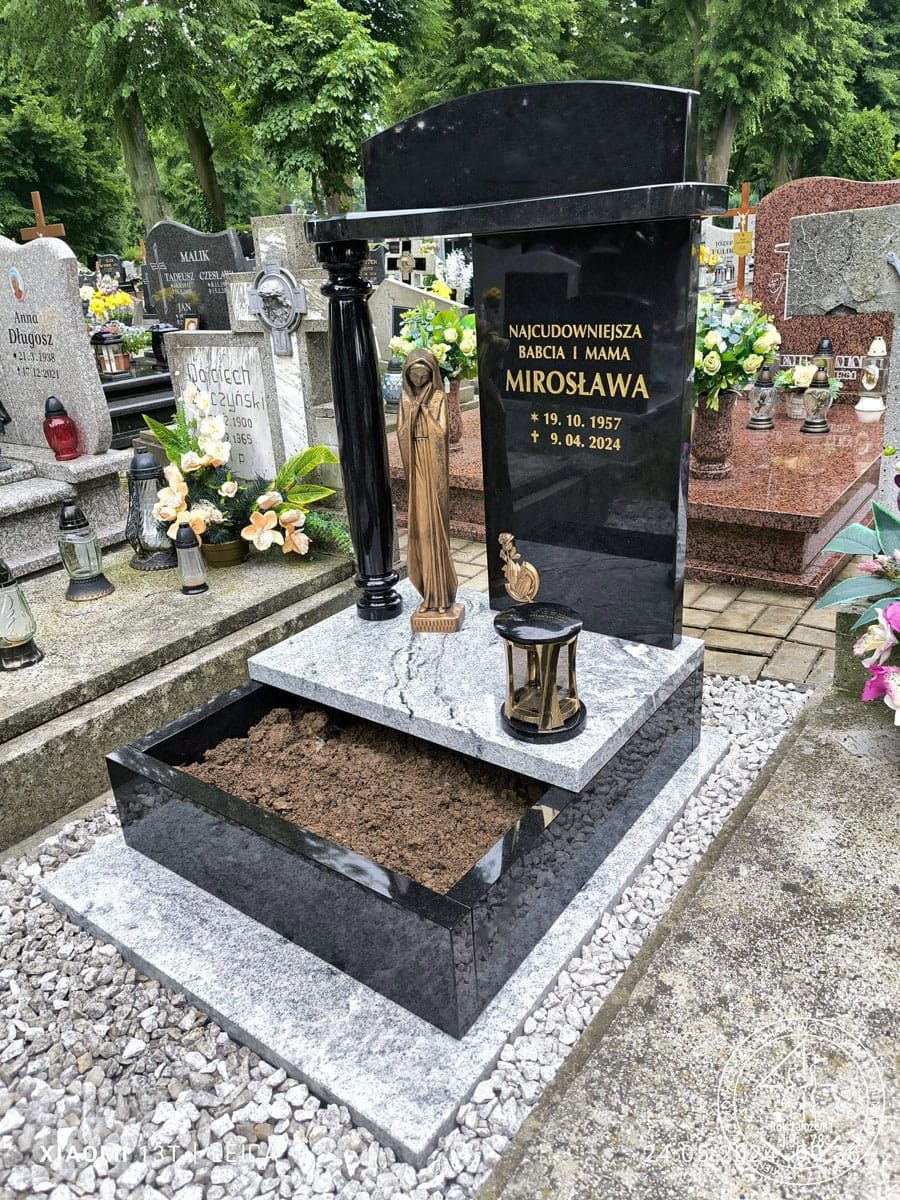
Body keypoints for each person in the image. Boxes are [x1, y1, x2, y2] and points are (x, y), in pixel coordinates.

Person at [396, 348, 459, 617]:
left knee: (435, 526)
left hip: (432, 468)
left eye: (424, 377)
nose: (419, 381)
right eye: (415, 377)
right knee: (421, 525)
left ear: (432, 375)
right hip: (416, 465)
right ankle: (428, 595)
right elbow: (401, 431)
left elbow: (441, 432)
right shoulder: (405, 398)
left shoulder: (437, 397)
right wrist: (413, 414)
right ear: (407, 376)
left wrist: (422, 411)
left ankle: (442, 595)